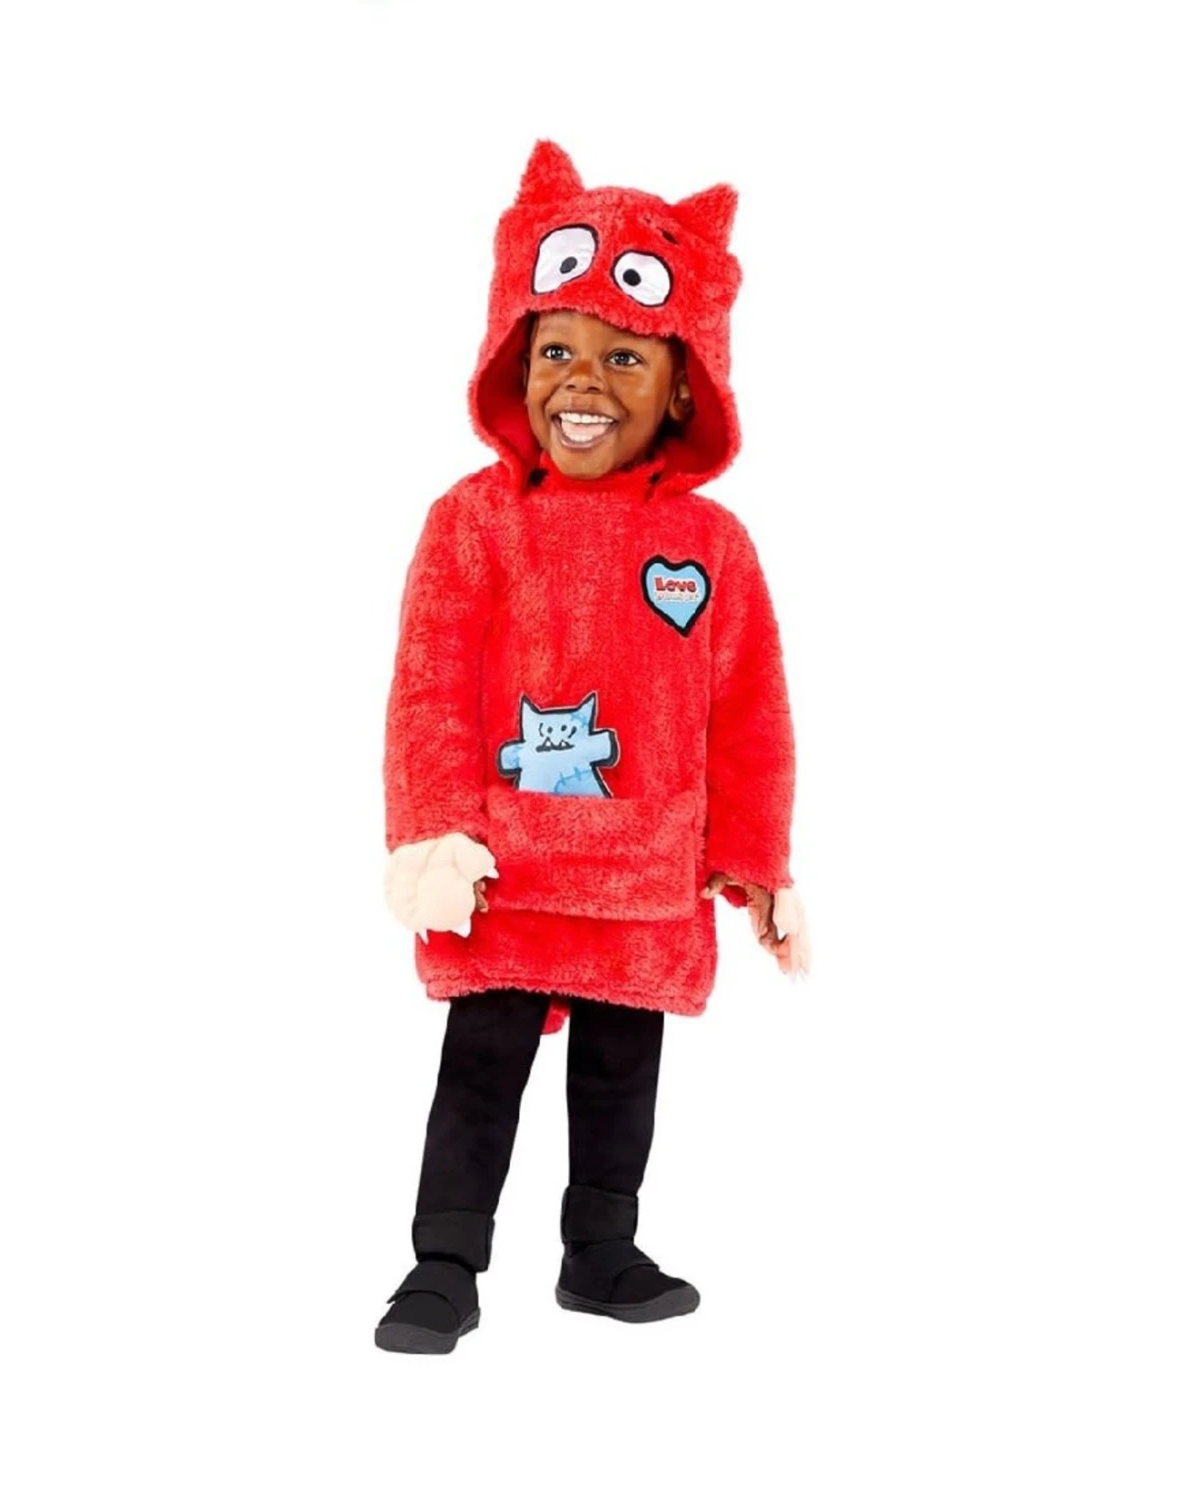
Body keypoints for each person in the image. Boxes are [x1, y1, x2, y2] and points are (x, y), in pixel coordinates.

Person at [375, 140, 811, 1354]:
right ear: (514, 360)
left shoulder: (712, 546)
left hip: (646, 873)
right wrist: (433, 834)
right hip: (502, 870)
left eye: (625, 356)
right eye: (556, 349)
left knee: (623, 1069)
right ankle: (444, 1263)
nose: (584, 381)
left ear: (683, 387)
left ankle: (601, 1251)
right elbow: (429, 687)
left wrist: (757, 860)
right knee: (481, 1065)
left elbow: (749, 711)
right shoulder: (472, 522)